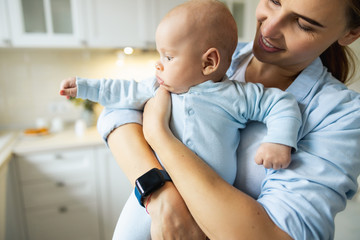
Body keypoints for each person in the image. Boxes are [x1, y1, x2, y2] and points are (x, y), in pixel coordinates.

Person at [60, 1, 302, 238]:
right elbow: (121, 92)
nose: (158, 64)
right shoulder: (156, 86)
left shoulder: (237, 96)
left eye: (168, 57)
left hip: (208, 204)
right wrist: (83, 87)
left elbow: (281, 103)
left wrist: (279, 141)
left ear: (209, 62)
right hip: (156, 189)